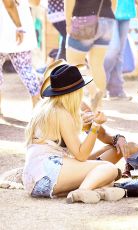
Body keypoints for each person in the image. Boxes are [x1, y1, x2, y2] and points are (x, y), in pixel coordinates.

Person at [21, 60, 129, 203]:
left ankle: (100, 190)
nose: (82, 92)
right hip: (48, 171)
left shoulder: (48, 107)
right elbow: (81, 155)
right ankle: (82, 191)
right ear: (74, 92)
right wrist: (95, 125)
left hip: (37, 177)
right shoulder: (61, 112)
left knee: (108, 162)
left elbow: (83, 149)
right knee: (110, 169)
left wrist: (114, 136)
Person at [64, 0, 115, 110]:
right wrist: (106, 17)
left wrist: (68, 22)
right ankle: (98, 107)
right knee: (97, 64)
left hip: (84, 18)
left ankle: (93, 91)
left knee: (74, 64)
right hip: (107, 19)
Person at [0, 0, 41, 116]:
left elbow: (9, 4)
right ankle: (38, 110)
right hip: (19, 30)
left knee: (26, 69)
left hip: (12, 29)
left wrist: (19, 26)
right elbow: (35, 3)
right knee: (26, 69)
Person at [104, 0, 138, 100]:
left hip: (126, 9)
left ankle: (116, 91)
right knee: (113, 50)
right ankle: (98, 83)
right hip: (108, 10)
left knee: (120, 53)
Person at [31, 0, 67, 74]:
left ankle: (52, 68)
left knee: (65, 41)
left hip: (55, 13)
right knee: (67, 42)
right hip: (60, 13)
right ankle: (54, 69)